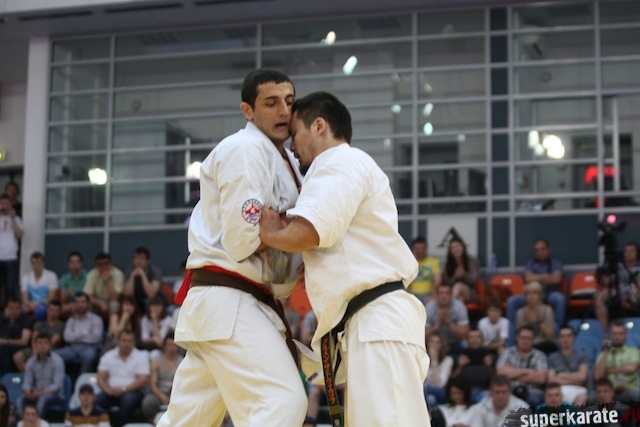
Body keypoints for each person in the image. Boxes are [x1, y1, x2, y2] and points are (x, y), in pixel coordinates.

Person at [258, 91, 429, 426]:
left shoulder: (339, 161)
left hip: (377, 323)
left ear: (319, 126)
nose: (292, 147)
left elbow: (307, 232)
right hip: (371, 325)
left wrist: (270, 233)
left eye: (295, 134)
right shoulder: (348, 167)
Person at [157, 68, 307, 427]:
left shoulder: (285, 159)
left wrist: (282, 229)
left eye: (289, 101)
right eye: (271, 103)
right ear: (247, 111)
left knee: (187, 421)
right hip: (231, 299)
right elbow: (242, 239)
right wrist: (284, 231)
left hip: (228, 305)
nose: (283, 111)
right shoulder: (244, 150)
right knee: (282, 401)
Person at [506, 239, 566, 345]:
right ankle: (512, 338)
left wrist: (537, 278)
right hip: (532, 293)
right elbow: (528, 278)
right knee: (511, 301)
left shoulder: (556, 263)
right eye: (537, 250)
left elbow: (557, 279)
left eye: (542, 249)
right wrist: (547, 277)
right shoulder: (530, 264)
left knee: (560, 299)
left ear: (548, 250)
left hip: (550, 294)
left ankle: (557, 333)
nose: (540, 252)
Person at [95, 329, 149, 427]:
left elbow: (142, 380)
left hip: (132, 391)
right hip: (110, 392)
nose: (127, 344)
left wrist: (124, 389)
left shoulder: (141, 356)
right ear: (118, 341)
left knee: (127, 401)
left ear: (134, 342)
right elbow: (100, 378)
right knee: (96, 401)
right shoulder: (108, 356)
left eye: (130, 341)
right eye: (124, 340)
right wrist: (109, 390)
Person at [496, 325, 548, 407]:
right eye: (523, 338)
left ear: (533, 340)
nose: (526, 341)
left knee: (535, 399)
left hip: (532, 391)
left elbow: (541, 378)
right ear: (517, 338)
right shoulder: (507, 352)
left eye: (529, 338)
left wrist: (511, 373)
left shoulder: (540, 355)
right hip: (509, 390)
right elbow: (500, 373)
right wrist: (528, 371)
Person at [17, 333, 66, 419]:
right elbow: (26, 383)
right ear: (35, 345)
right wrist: (28, 391)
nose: (43, 346)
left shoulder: (58, 361)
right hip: (36, 393)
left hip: (55, 396)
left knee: (42, 401)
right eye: (40, 343)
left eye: (45, 343)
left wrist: (40, 393)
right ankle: (23, 423)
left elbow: (57, 385)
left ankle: (37, 423)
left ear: (50, 345)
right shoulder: (30, 362)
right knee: (19, 400)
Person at [595, 242, 640, 333]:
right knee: (599, 297)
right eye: (626, 251)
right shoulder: (617, 267)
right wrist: (602, 275)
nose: (629, 253)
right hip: (617, 291)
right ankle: (605, 332)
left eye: (632, 251)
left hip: (635, 292)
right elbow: (607, 282)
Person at [55, 292, 104, 374]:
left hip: (90, 347)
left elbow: (96, 338)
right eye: (77, 302)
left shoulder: (96, 319)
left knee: (89, 356)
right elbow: (67, 337)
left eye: (83, 302)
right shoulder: (71, 320)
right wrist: (85, 333)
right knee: (55, 356)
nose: (80, 305)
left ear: (88, 304)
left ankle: (82, 380)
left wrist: (75, 335)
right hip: (72, 348)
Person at [13, 299, 65, 372]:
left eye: (56, 311)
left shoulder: (61, 325)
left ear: (59, 312)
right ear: (47, 310)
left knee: (42, 356)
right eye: (51, 310)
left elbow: (54, 340)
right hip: (36, 347)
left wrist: (40, 350)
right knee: (17, 357)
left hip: (52, 349)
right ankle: (27, 375)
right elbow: (34, 337)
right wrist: (35, 349)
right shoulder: (39, 323)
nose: (53, 312)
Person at [594, 320, 640, 401]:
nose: (618, 337)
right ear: (610, 335)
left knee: (635, 396)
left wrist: (608, 371)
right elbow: (598, 376)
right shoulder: (603, 354)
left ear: (626, 335)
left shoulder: (634, 351)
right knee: (596, 397)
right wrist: (606, 351)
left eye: (620, 333)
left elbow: (632, 368)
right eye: (615, 334)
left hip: (628, 389)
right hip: (608, 392)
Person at [141, 332, 182, 423]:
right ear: (164, 345)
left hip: (176, 393)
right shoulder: (157, 361)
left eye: (174, 345)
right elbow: (153, 385)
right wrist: (162, 396)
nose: (172, 348)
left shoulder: (182, 362)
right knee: (148, 403)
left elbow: (183, 384)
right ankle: (154, 422)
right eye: (169, 345)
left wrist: (172, 396)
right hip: (159, 393)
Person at [547, 326, 589, 405]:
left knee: (582, 398)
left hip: (578, 389)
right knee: (553, 396)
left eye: (569, 336)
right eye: (562, 336)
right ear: (558, 339)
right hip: (559, 389)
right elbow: (551, 380)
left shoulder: (582, 355)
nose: (565, 339)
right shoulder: (552, 357)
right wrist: (575, 379)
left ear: (574, 338)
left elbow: (582, 377)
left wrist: (560, 375)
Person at [425, 284, 470, 355]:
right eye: (441, 293)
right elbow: (424, 334)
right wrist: (439, 324)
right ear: (436, 295)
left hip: (454, 342)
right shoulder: (429, 307)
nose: (444, 296)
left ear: (451, 295)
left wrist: (448, 323)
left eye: (447, 293)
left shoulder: (459, 307)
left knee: (465, 344)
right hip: (435, 344)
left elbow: (464, 334)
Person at [451, 329, 494, 403]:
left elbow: (495, 379)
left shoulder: (489, 356)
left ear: (482, 340)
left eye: (477, 337)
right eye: (471, 337)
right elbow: (452, 379)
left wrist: (489, 367)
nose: (474, 339)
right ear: (467, 340)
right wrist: (460, 366)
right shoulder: (461, 356)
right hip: (465, 391)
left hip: (484, 390)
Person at [515, 281, 556, 354]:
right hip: (527, 343)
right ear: (525, 296)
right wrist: (527, 324)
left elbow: (550, 336)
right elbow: (520, 336)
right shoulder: (520, 312)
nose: (532, 296)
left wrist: (539, 321)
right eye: (529, 293)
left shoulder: (547, 310)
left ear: (540, 295)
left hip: (544, 343)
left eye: (535, 293)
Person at [0, 193, 23, 309]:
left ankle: (10, 309)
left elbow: (19, 235)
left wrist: (12, 218)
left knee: (10, 285)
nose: (4, 206)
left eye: (7, 203)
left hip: (11, 257)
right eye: (2, 203)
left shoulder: (16, 219)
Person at [83, 252, 125, 317]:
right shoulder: (91, 274)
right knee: (87, 305)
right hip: (97, 303)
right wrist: (100, 303)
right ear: (96, 266)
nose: (104, 267)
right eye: (100, 265)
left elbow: (114, 297)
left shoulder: (118, 274)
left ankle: (113, 323)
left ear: (111, 264)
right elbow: (87, 297)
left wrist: (107, 281)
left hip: (111, 302)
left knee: (114, 304)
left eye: (106, 263)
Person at [123, 247, 162, 313]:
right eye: (135, 258)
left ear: (148, 260)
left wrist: (143, 275)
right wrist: (132, 276)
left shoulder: (155, 271)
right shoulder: (129, 270)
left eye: (141, 258)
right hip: (136, 298)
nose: (138, 261)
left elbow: (151, 294)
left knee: (148, 301)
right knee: (128, 303)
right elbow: (128, 295)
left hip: (154, 299)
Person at [20, 252, 58, 319]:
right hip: (31, 304)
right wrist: (31, 305)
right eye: (33, 263)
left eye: (38, 262)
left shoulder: (51, 276)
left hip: (46, 304)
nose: (36, 265)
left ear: (43, 263)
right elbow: (24, 298)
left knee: (42, 311)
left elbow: (51, 297)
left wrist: (40, 305)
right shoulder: (25, 278)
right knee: (20, 309)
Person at [443, 237, 480, 303]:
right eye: (452, 248)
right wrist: (455, 277)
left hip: (470, 292)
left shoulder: (472, 261)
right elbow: (446, 283)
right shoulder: (448, 263)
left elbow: (473, 281)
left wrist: (463, 275)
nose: (455, 250)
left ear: (463, 247)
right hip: (452, 292)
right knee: (460, 299)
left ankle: (447, 306)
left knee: (458, 286)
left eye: (457, 246)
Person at [0, 298, 32, 374]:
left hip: (19, 347)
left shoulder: (25, 321)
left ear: (20, 309)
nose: (14, 311)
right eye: (11, 308)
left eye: (17, 308)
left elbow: (24, 341)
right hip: (5, 346)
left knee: (3, 349)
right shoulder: (3, 320)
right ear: (6, 309)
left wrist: (5, 341)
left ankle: (7, 376)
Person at [424, 331, 454, 407]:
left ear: (442, 345)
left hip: (440, 392)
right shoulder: (423, 359)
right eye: (432, 342)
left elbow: (439, 384)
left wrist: (434, 360)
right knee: (431, 399)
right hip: (426, 393)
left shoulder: (448, 360)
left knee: (426, 386)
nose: (434, 345)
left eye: (438, 342)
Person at [408, 236, 442, 302]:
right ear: (413, 249)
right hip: (413, 295)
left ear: (426, 248)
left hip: (429, 295)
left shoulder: (434, 262)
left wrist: (434, 295)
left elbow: (438, 280)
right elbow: (406, 283)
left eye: (422, 248)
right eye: (417, 248)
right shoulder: (409, 263)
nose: (420, 250)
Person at [59, 251, 87, 316]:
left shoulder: (87, 276)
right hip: (70, 304)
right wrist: (68, 293)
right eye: (72, 262)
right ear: (68, 264)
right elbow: (63, 300)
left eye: (77, 262)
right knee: (60, 308)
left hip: (85, 303)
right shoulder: (64, 278)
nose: (75, 264)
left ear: (81, 263)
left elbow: (89, 297)